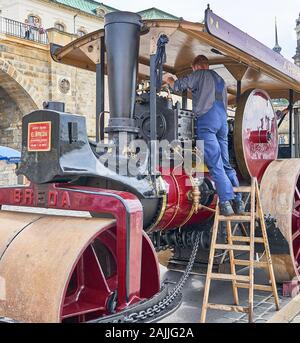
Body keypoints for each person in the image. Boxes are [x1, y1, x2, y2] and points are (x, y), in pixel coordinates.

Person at [166, 55, 245, 216]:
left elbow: (179, 86)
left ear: (196, 67)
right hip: (222, 123)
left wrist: (169, 80)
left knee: (214, 163)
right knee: (225, 164)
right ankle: (239, 201)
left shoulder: (200, 74)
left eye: (193, 69)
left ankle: (225, 202)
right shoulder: (220, 80)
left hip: (207, 121)